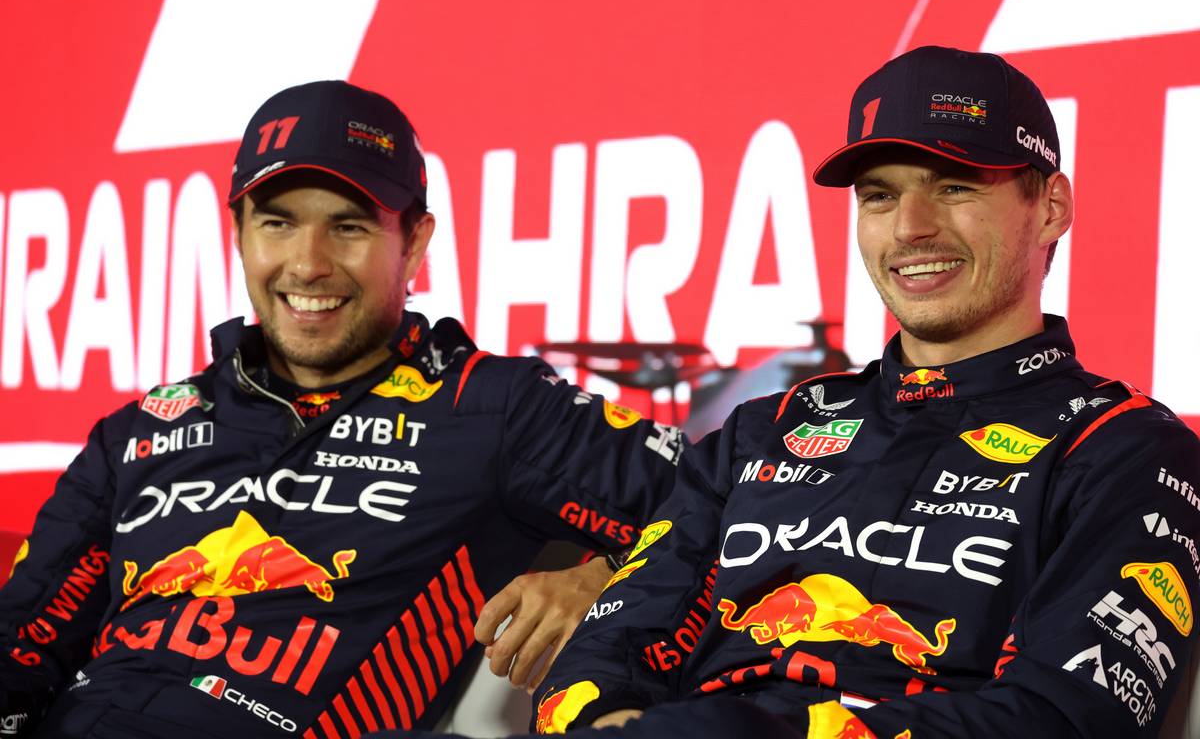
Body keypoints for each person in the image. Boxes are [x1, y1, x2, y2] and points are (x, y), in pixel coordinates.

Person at [507, 46, 1200, 738]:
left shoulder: (1126, 448)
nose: (910, 226)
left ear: (1050, 208)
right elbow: (613, 641)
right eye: (880, 195)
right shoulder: (763, 429)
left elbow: (1068, 717)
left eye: (954, 185)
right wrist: (611, 721)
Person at [0, 80, 685, 737]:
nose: (308, 264)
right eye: (278, 223)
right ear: (239, 231)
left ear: (413, 241)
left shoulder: (493, 406)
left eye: (348, 228)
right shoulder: (140, 431)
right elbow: (24, 637)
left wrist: (602, 579)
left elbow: (732, 495)